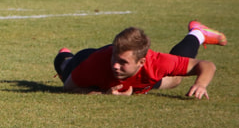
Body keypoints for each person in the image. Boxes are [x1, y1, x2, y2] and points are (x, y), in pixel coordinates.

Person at [53, 21, 227, 98]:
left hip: (139, 81)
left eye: (123, 62)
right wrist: (102, 94)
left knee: (175, 80)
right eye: (115, 58)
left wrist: (201, 84)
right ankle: (67, 54)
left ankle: (197, 33)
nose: (115, 65)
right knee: (62, 62)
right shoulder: (96, 63)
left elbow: (206, 65)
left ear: (141, 62)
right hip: (85, 60)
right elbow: (69, 87)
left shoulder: (157, 62)